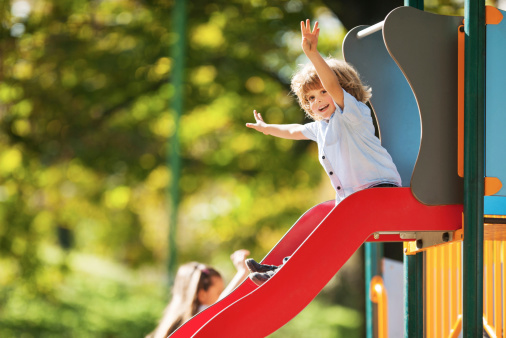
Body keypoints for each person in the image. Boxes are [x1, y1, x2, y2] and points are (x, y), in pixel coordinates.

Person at [245, 20, 401, 286]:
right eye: (310, 99)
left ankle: (284, 270)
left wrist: (312, 54)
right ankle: (283, 268)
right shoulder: (321, 128)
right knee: (322, 233)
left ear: (343, 90)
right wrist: (268, 128)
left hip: (378, 191)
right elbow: (295, 130)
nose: (316, 101)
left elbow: (333, 86)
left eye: (321, 93)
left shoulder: (353, 115)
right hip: (355, 200)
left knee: (327, 233)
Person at [147, 249, 250, 338]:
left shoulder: (174, 322)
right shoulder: (199, 317)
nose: (221, 295)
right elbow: (220, 305)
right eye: (219, 292)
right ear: (202, 295)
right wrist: (242, 272)